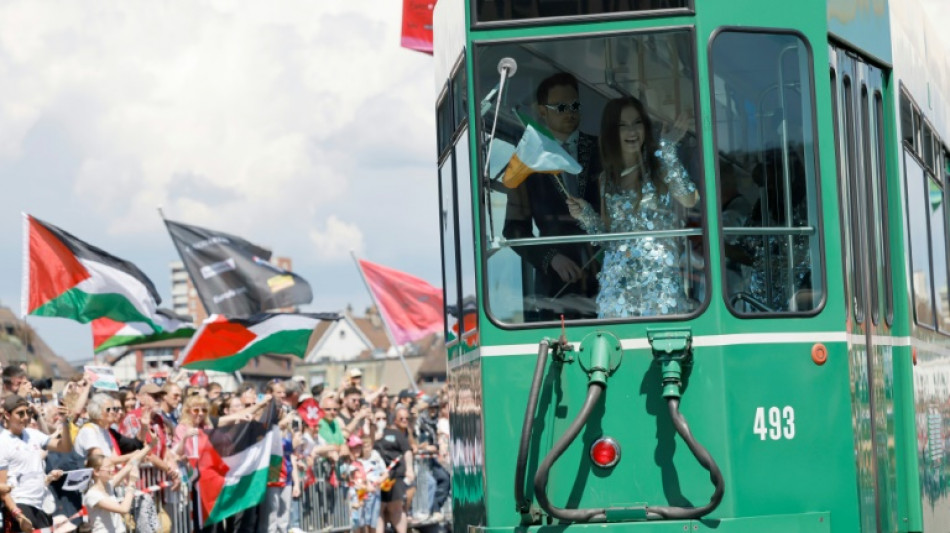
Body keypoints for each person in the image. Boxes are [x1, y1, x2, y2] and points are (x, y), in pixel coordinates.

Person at [567, 96, 698, 318]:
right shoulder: (606, 179)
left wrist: (667, 149)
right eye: (623, 125)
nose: (632, 131)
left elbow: (689, 199)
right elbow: (608, 239)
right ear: (611, 132)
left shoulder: (660, 166)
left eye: (637, 123)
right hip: (617, 290)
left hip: (660, 288)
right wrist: (586, 214)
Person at [503, 72, 602, 320]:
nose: (570, 113)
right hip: (555, 286)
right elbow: (514, 229)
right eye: (561, 107)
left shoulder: (602, 150)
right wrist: (551, 258)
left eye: (575, 106)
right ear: (542, 111)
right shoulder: (527, 160)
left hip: (605, 270)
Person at [0, 395, 73, 533]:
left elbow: (65, 447)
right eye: (20, 413)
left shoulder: (33, 434)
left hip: (41, 506)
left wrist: (66, 423)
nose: (26, 417)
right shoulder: (2, 442)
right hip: (19, 506)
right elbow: (2, 488)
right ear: (7, 415)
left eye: (28, 412)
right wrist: (18, 515)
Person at [82, 447, 150, 533]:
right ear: (96, 472)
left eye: (112, 466)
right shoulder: (92, 495)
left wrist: (150, 446)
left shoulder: (108, 485)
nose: (112, 469)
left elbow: (130, 464)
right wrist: (131, 483)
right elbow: (124, 509)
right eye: (108, 467)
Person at [374, 405, 414, 533]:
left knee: (396, 507)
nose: (381, 421)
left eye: (383, 418)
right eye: (378, 418)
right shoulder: (368, 435)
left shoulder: (395, 433)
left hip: (394, 474)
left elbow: (407, 451)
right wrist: (373, 437)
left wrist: (409, 469)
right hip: (376, 476)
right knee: (378, 508)